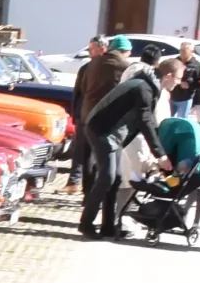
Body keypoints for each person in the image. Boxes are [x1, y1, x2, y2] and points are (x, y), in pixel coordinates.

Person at [80, 56, 175, 239]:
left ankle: (108, 225)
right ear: (169, 76)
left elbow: (148, 123)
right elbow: (145, 121)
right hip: (102, 130)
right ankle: (86, 223)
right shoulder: (143, 88)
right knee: (107, 177)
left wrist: (159, 150)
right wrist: (160, 155)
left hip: (113, 133)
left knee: (115, 178)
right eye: (178, 79)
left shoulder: (147, 85)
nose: (178, 83)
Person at [68, 36, 130, 193]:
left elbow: (80, 91)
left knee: (87, 155)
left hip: (87, 115)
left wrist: (78, 115)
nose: (89, 53)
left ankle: (87, 193)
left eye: (91, 49)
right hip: (102, 118)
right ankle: (94, 191)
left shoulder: (90, 66)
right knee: (97, 157)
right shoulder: (124, 67)